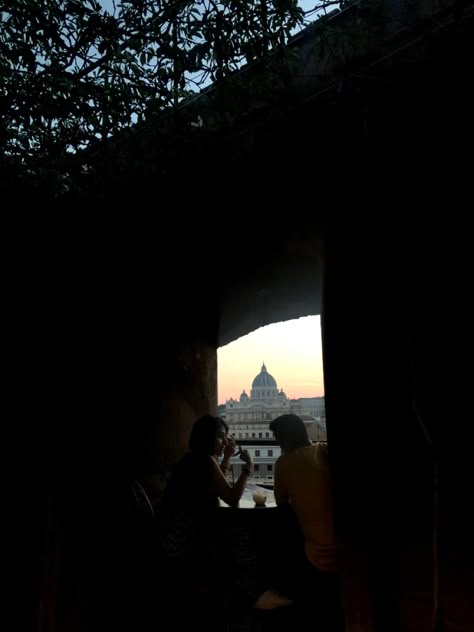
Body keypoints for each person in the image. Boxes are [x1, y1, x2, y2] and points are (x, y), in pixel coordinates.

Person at [268, 413, 344, 631]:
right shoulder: (324, 450)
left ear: (284, 438)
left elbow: (280, 503)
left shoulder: (284, 463)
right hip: (345, 548)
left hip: (318, 555)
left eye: (277, 438)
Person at [161, 414, 254, 509]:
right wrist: (249, 466)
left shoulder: (192, 457)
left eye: (225, 437)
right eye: (220, 436)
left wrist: (226, 458)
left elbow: (216, 485)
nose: (225, 442)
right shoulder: (205, 461)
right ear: (207, 436)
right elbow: (232, 498)